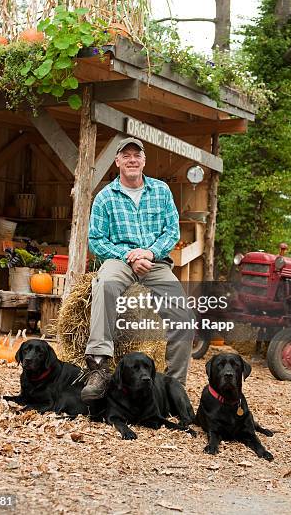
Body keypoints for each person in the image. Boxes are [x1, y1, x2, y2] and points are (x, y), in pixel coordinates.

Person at [80, 137, 194, 402]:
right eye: (126, 155)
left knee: (183, 312)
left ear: (144, 160)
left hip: (155, 262)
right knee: (105, 284)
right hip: (119, 260)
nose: (132, 160)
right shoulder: (105, 197)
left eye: (137, 155)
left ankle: (174, 386)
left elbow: (172, 231)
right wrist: (128, 256)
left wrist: (151, 252)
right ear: (118, 161)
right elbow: (96, 241)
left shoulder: (161, 191)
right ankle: (99, 367)